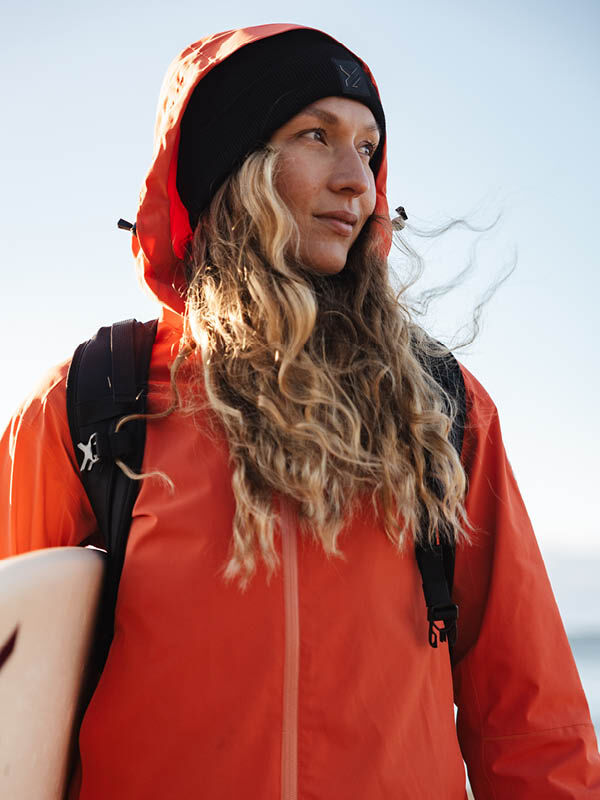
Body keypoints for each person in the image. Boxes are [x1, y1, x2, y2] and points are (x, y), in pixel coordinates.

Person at [1, 22, 599, 800]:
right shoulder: (93, 406)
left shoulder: (437, 406)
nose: (360, 180)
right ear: (232, 168)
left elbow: (531, 720)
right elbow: (16, 692)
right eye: (317, 135)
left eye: (370, 148)